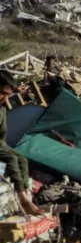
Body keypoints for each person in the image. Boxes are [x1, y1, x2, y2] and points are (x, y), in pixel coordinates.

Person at [0, 71, 42, 215]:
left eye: (6, 95)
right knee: (12, 159)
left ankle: (25, 194)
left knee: (22, 159)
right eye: (2, 93)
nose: (4, 98)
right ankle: (24, 199)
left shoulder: (1, 108)